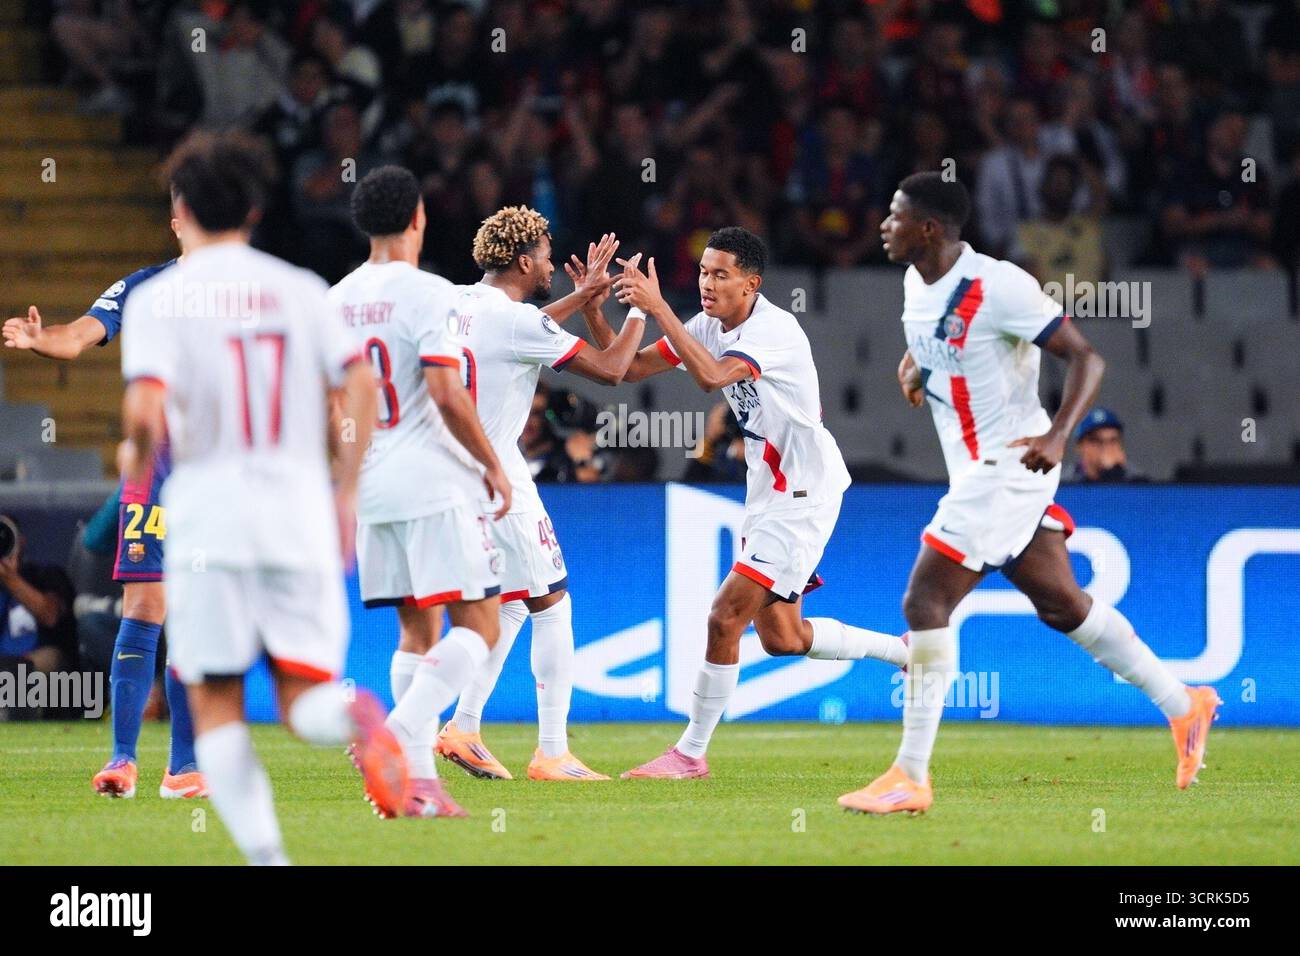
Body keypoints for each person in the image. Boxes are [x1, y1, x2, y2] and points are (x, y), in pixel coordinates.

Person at [842, 172, 1220, 815]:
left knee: (925, 599)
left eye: (895, 214)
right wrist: (914, 368)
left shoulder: (999, 285)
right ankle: (1185, 705)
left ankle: (910, 775)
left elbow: (1087, 358)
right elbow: (936, 347)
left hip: (1009, 466)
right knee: (1061, 603)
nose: (884, 224)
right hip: (976, 473)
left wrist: (1060, 433)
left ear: (928, 228)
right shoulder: (915, 283)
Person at [118, 130, 406, 864]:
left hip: (209, 512)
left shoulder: (157, 301)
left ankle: (269, 860)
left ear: (181, 205)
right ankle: (361, 719)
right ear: (253, 206)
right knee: (304, 699)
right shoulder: (301, 289)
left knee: (216, 700)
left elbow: (145, 416)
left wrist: (134, 464)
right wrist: (344, 491)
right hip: (298, 509)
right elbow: (359, 386)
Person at [607, 226, 910, 779]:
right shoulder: (707, 324)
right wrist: (617, 310)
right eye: (702, 271)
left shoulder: (776, 329)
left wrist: (660, 308)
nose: (706, 283)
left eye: (721, 274)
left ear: (751, 284)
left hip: (803, 491)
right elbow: (622, 368)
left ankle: (690, 755)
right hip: (767, 492)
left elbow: (713, 377)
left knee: (725, 617)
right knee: (782, 637)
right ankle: (906, 653)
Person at [436, 209, 645, 782]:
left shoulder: (459, 302)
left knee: (510, 602)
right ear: (525, 261)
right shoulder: (517, 322)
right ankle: (552, 751)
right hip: (497, 473)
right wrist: (638, 311)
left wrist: (578, 299)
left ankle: (464, 727)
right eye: (548, 254)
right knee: (553, 603)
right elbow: (613, 369)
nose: (554, 263)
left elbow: (516, 333)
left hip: (448, 470)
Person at [330, 166, 513, 817]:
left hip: (373, 487)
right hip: (433, 482)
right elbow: (443, 389)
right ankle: (400, 730)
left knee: (417, 629)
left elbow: (333, 407)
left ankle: (418, 790)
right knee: (481, 626)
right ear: (417, 218)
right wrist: (491, 463)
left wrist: (344, 486)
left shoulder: (337, 299)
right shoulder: (428, 293)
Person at [3, 225, 205, 800]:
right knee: (145, 605)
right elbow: (80, 335)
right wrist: (43, 339)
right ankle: (122, 758)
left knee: (196, 616)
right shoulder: (144, 287)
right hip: (156, 470)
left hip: (219, 476)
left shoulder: (249, 292)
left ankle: (183, 768)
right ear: (175, 222)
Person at [0, 515, 78, 693]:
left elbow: (50, 616)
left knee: (47, 659)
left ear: (21, 542)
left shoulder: (46, 575)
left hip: (40, 667)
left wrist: (10, 579)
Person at [1069, 407, 1146, 483]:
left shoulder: (1139, 483)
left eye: (1112, 440)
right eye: (1096, 440)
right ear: (1079, 446)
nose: (1105, 447)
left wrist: (1115, 472)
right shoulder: (1063, 483)